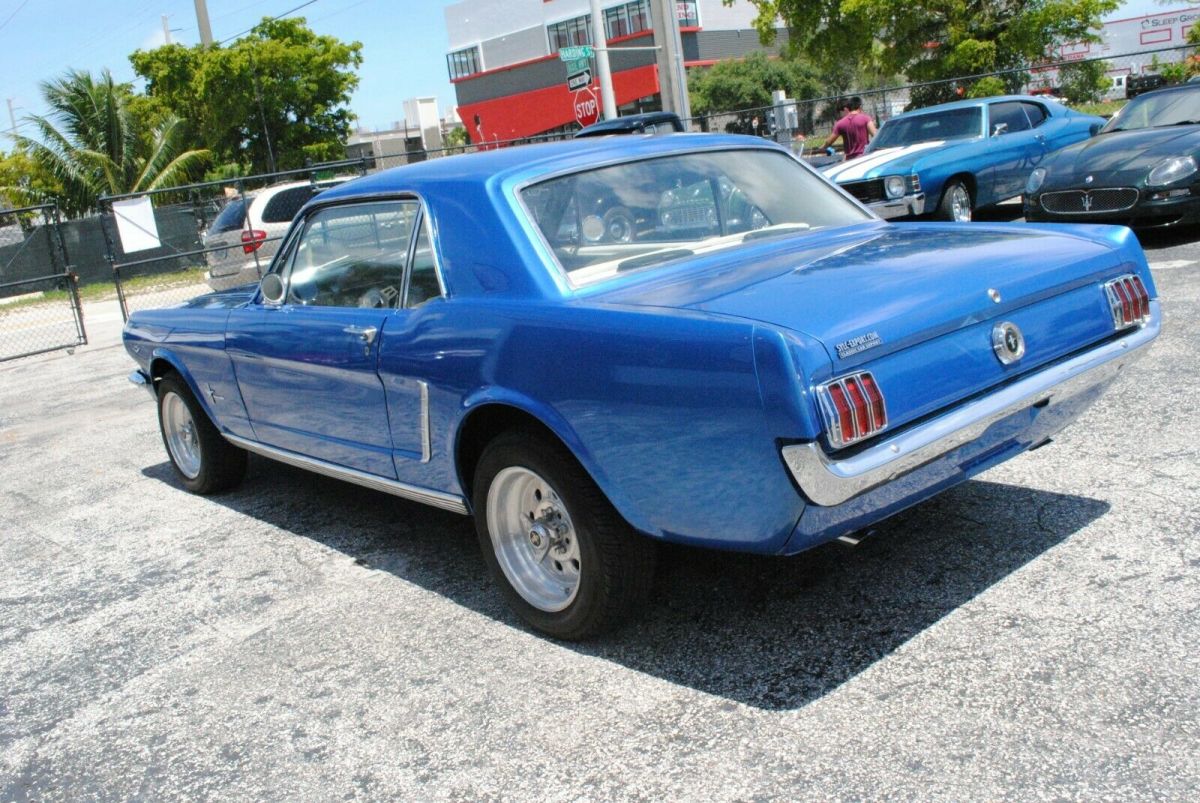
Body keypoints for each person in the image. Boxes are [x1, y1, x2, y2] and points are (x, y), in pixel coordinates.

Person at [823, 96, 877, 160]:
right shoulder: (866, 118)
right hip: (864, 157)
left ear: (848, 107)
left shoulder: (840, 123)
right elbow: (875, 135)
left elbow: (829, 142)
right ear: (860, 107)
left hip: (850, 160)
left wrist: (822, 148)